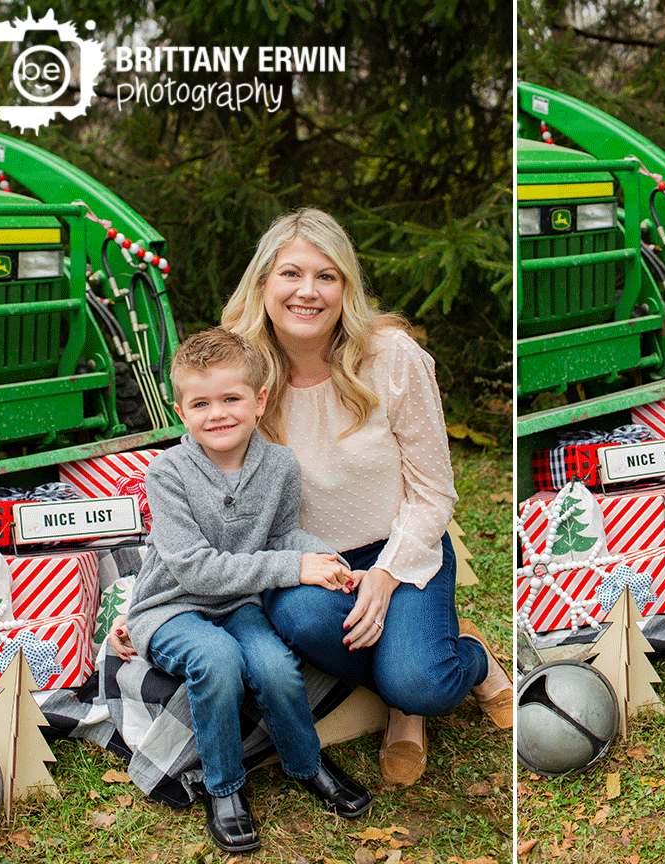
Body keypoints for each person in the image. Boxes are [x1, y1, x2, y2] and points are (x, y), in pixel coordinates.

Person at [219, 208, 512, 787]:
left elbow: (433, 493)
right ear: (262, 283)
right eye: (291, 274)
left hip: (398, 549)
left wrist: (385, 574)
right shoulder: (239, 366)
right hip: (308, 565)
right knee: (302, 617)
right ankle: (406, 680)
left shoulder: (391, 356)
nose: (308, 291)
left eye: (327, 276)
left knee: (424, 684)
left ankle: (467, 660)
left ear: (346, 287)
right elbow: (202, 478)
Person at [122, 327, 374, 853]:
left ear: (259, 401)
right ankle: (225, 787)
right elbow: (193, 569)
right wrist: (292, 567)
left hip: (239, 604)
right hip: (171, 607)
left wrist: (325, 559)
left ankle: (306, 763)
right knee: (217, 661)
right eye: (200, 403)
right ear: (180, 410)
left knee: (275, 666)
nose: (217, 413)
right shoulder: (167, 472)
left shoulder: (279, 466)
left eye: (231, 398)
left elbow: (283, 534)